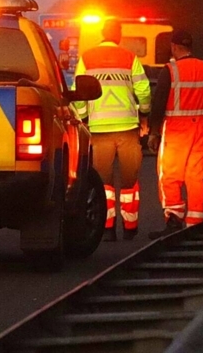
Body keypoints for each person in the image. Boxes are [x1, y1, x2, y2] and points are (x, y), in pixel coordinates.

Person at [72, 19, 151, 241]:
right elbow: (143, 89)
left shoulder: (87, 58)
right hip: (127, 128)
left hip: (99, 130)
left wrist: (84, 117)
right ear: (119, 34)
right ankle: (130, 227)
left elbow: (78, 90)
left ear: (102, 33)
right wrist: (144, 114)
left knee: (103, 182)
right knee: (129, 180)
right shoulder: (129, 57)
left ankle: (107, 228)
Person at [147, 30, 203, 238]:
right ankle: (195, 223)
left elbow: (159, 102)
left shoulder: (170, 70)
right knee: (196, 176)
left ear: (174, 47)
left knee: (170, 175)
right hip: (202, 129)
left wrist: (153, 131)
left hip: (177, 130)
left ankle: (174, 219)